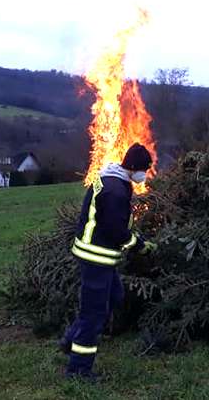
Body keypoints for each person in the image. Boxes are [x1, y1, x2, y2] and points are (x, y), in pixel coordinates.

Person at [60, 143, 158, 381]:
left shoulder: (112, 179)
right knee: (94, 313)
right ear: (133, 167)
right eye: (144, 169)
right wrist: (140, 245)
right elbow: (115, 230)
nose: (144, 174)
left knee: (114, 296)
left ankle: (70, 340)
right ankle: (79, 369)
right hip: (97, 256)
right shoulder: (115, 190)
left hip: (96, 253)